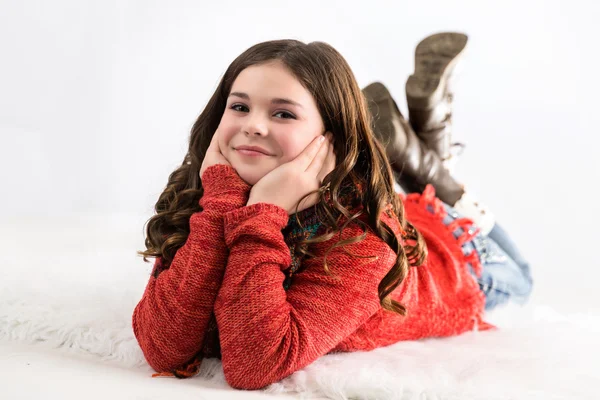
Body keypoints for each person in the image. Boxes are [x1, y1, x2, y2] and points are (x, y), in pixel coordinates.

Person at [132, 35, 533, 391]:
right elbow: (164, 348)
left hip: (460, 258)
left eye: (283, 113)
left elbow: (253, 365)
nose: (252, 125)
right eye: (240, 106)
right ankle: (419, 148)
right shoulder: (215, 192)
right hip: (388, 208)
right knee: (397, 192)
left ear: (331, 137)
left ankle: (434, 171)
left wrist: (265, 212)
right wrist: (222, 204)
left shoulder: (366, 242)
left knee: (523, 278)